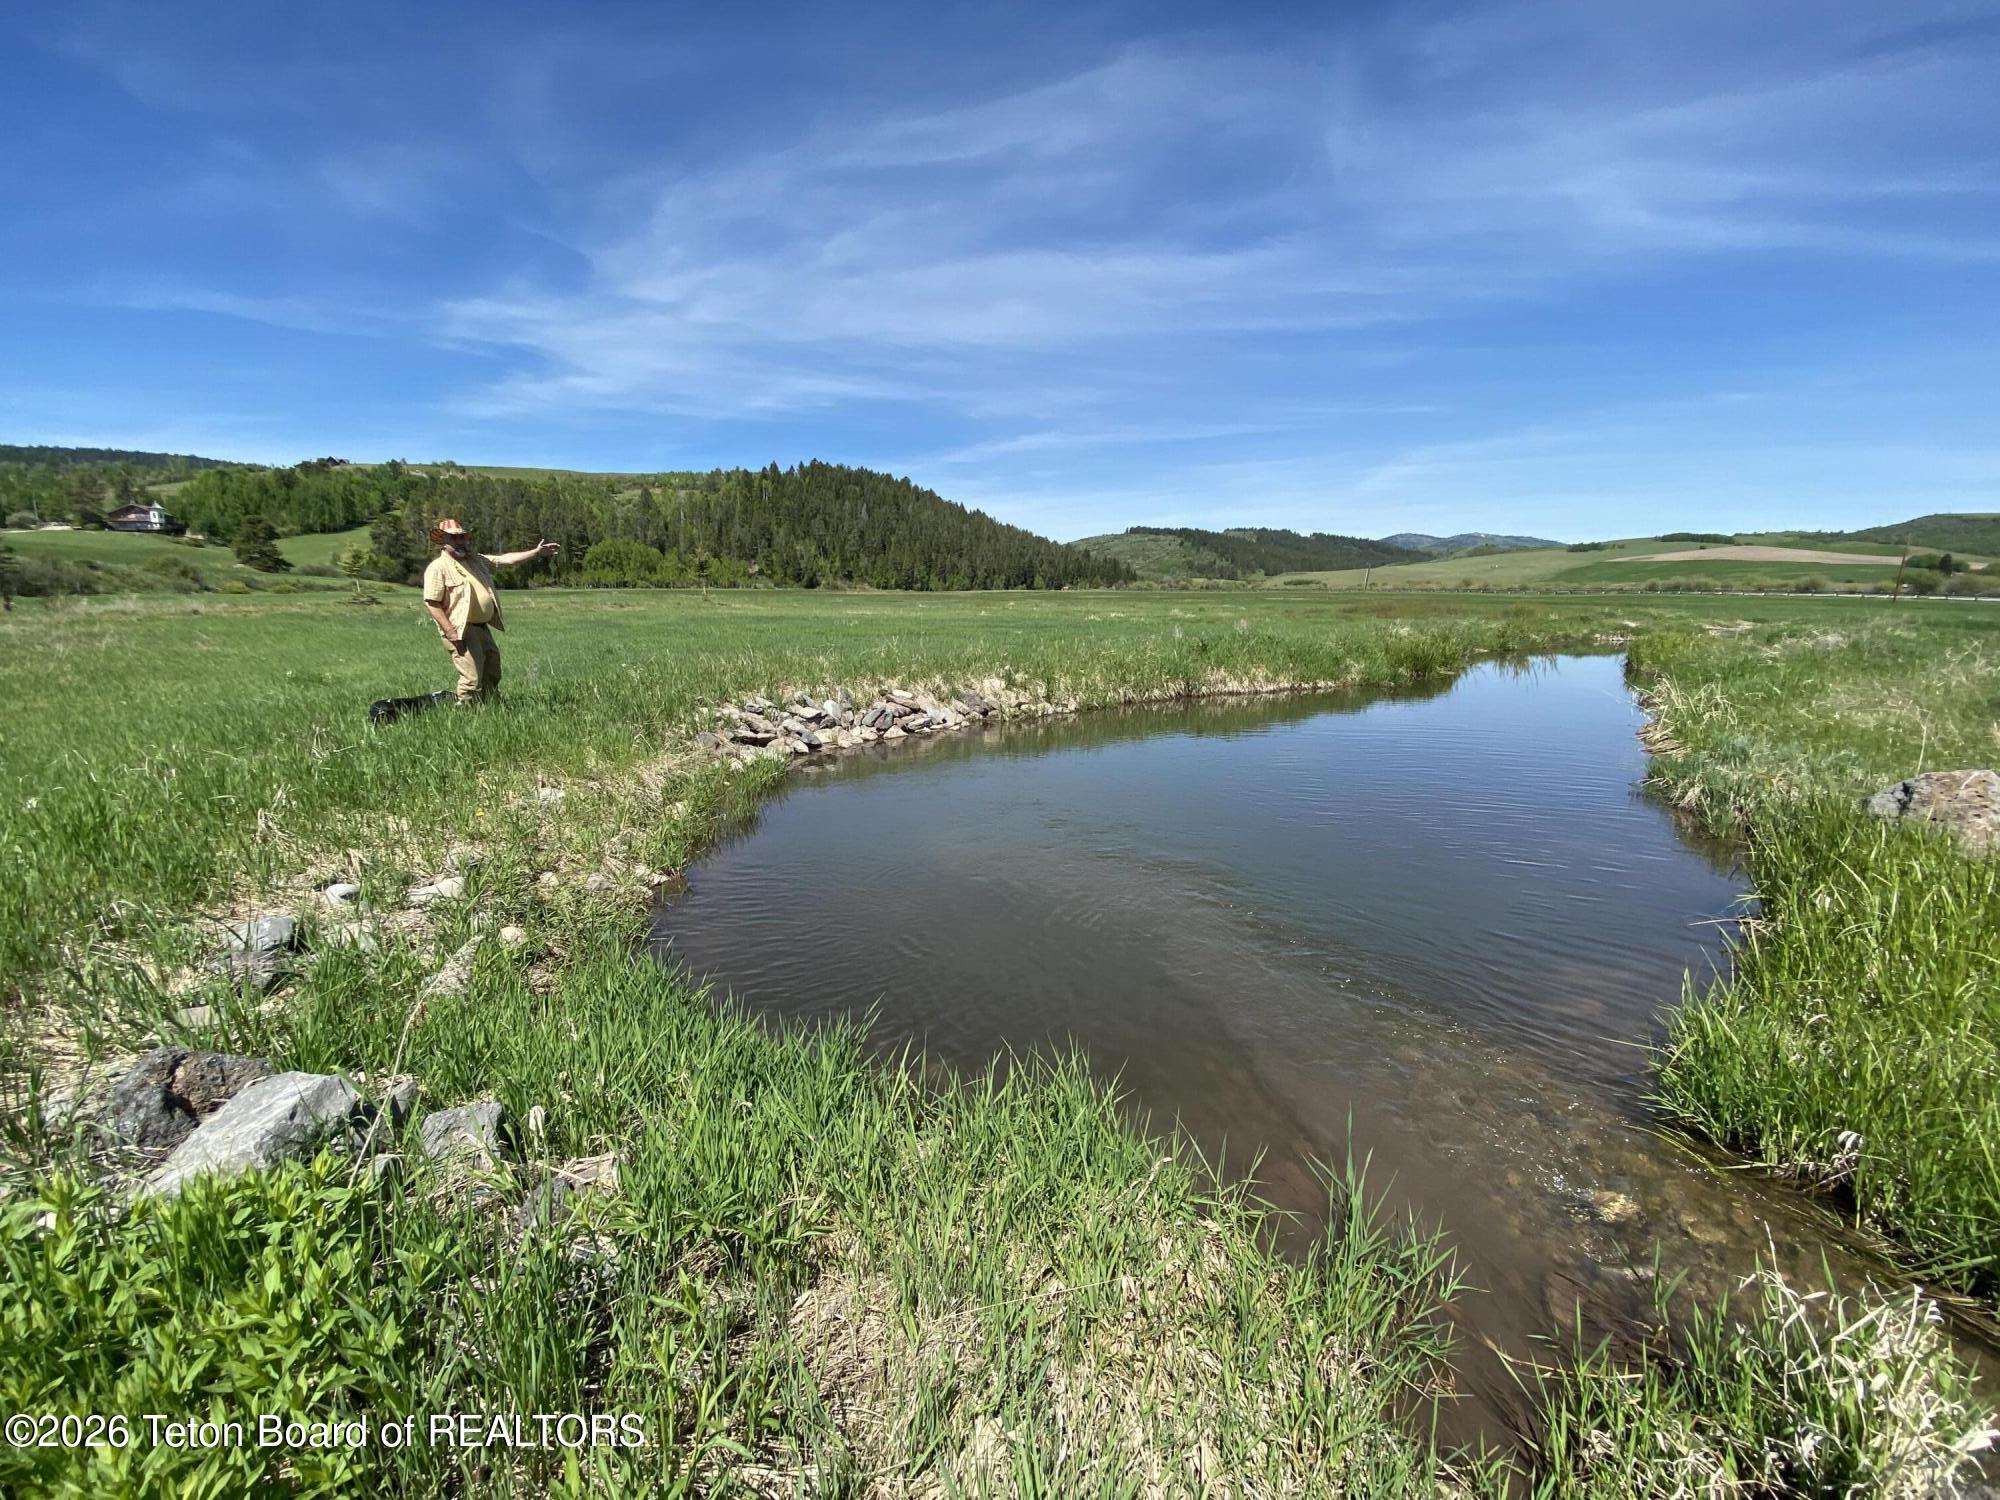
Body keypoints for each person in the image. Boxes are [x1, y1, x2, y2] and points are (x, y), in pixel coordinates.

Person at [421, 518, 559, 703]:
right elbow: (432, 602)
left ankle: (489, 707)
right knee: (471, 679)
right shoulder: (438, 568)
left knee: (492, 671)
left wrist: (535, 552)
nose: (461, 542)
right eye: (455, 538)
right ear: (442, 541)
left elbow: (506, 560)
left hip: (482, 628)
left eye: (463, 537)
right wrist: (451, 632)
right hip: (461, 630)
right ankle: (465, 713)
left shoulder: (476, 560)